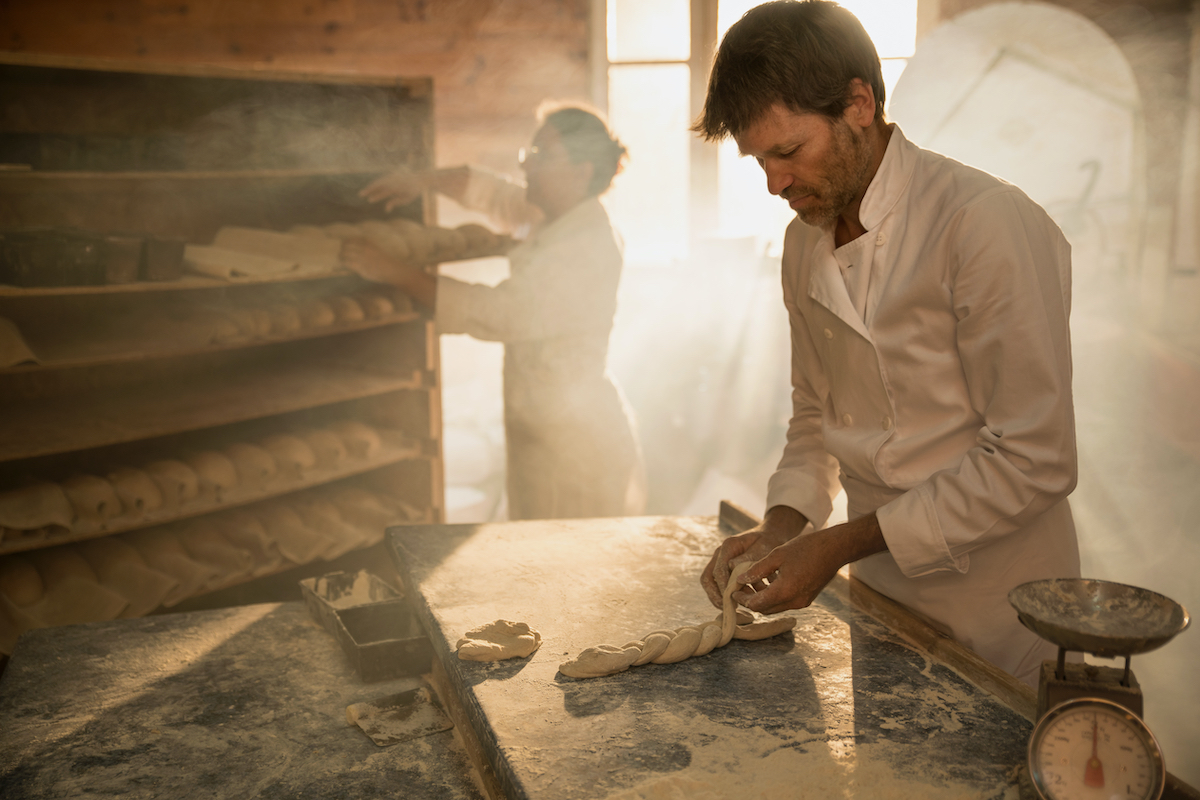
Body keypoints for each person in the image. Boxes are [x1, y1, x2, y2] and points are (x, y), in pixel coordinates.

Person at [695, 0, 1080, 687]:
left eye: (787, 152)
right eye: (759, 161)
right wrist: (785, 526)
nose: (774, 183)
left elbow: (1034, 458)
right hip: (881, 596)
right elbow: (817, 415)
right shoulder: (801, 242)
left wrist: (836, 544)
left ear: (859, 105)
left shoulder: (981, 224)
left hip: (1001, 605)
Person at [344, 104, 646, 521]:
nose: (526, 167)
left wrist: (393, 272)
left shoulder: (585, 246)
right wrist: (421, 182)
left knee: (572, 571)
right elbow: (493, 192)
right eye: (529, 153)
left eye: (541, 156)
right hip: (544, 434)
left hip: (577, 448)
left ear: (581, 172)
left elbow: (501, 313)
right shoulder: (554, 217)